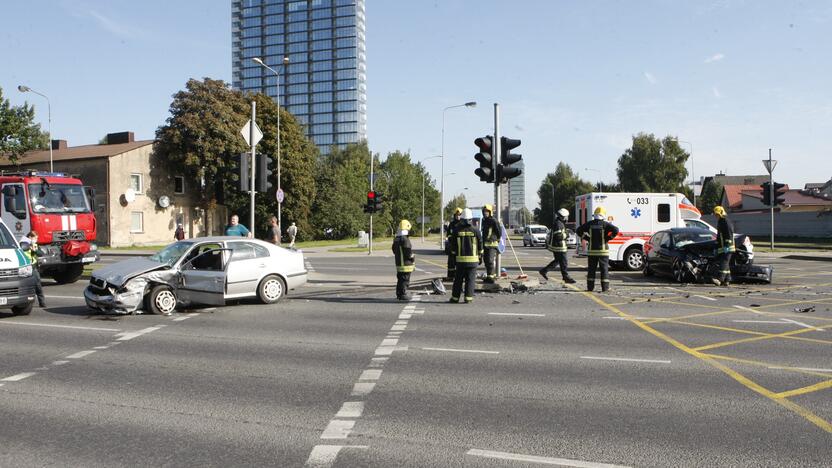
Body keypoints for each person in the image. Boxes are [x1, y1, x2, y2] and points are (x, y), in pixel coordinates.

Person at [576, 206, 619, 292]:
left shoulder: (589, 224)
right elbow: (616, 229)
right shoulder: (605, 224)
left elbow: (578, 230)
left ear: (594, 215)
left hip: (592, 251)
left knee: (591, 270)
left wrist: (587, 238)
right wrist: (608, 238)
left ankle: (590, 287)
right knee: (604, 270)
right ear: (603, 216)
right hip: (603, 251)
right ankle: (605, 288)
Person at [450, 208, 482, 304]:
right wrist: (480, 256)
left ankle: (455, 298)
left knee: (458, 280)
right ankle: (468, 298)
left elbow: (453, 246)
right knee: (470, 280)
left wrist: (453, 258)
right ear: (471, 219)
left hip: (460, 261)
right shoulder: (475, 230)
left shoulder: (456, 230)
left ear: (461, 219)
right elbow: (480, 244)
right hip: (473, 261)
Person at [539, 208, 576, 284]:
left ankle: (544, 271)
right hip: (559, 247)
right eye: (566, 216)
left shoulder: (559, 223)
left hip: (558, 246)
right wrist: (567, 234)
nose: (567, 218)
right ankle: (566, 277)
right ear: (563, 216)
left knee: (557, 261)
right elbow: (558, 236)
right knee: (564, 262)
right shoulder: (559, 224)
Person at [20, 234, 45, 308]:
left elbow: (41, 254)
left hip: (33, 267)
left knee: (38, 285)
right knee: (25, 286)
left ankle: (42, 302)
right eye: (35, 238)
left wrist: (35, 250)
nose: (36, 239)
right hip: (25, 268)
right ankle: (25, 303)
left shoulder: (34, 245)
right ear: (30, 237)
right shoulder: (22, 244)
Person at [392, 219, 415, 301]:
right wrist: (412, 256)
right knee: (405, 280)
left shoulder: (396, 239)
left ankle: (399, 293)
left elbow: (394, 250)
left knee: (400, 279)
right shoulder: (405, 239)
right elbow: (408, 253)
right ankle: (402, 294)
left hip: (399, 264)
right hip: (406, 264)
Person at [713, 205, 735, 286]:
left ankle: (719, 279)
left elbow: (729, 233)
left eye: (717, 214)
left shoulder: (725, 221)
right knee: (726, 264)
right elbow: (720, 235)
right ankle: (727, 280)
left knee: (724, 262)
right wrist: (717, 245)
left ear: (721, 213)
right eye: (715, 215)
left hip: (728, 246)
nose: (716, 216)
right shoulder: (721, 221)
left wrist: (727, 244)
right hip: (723, 247)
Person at [480, 204, 501, 283]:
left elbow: (499, 232)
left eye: (487, 211)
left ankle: (491, 278)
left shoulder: (493, 221)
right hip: (485, 244)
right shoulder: (484, 221)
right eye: (484, 211)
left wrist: (496, 239)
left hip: (492, 244)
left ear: (490, 212)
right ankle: (490, 276)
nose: (485, 213)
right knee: (486, 261)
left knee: (490, 261)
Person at [445, 207, 463, 280]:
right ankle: (450, 276)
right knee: (451, 262)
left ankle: (460, 276)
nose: (458, 216)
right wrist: (450, 238)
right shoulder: (452, 224)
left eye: (459, 215)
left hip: (460, 246)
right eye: (456, 215)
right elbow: (448, 234)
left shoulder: (462, 224)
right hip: (452, 246)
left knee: (460, 262)